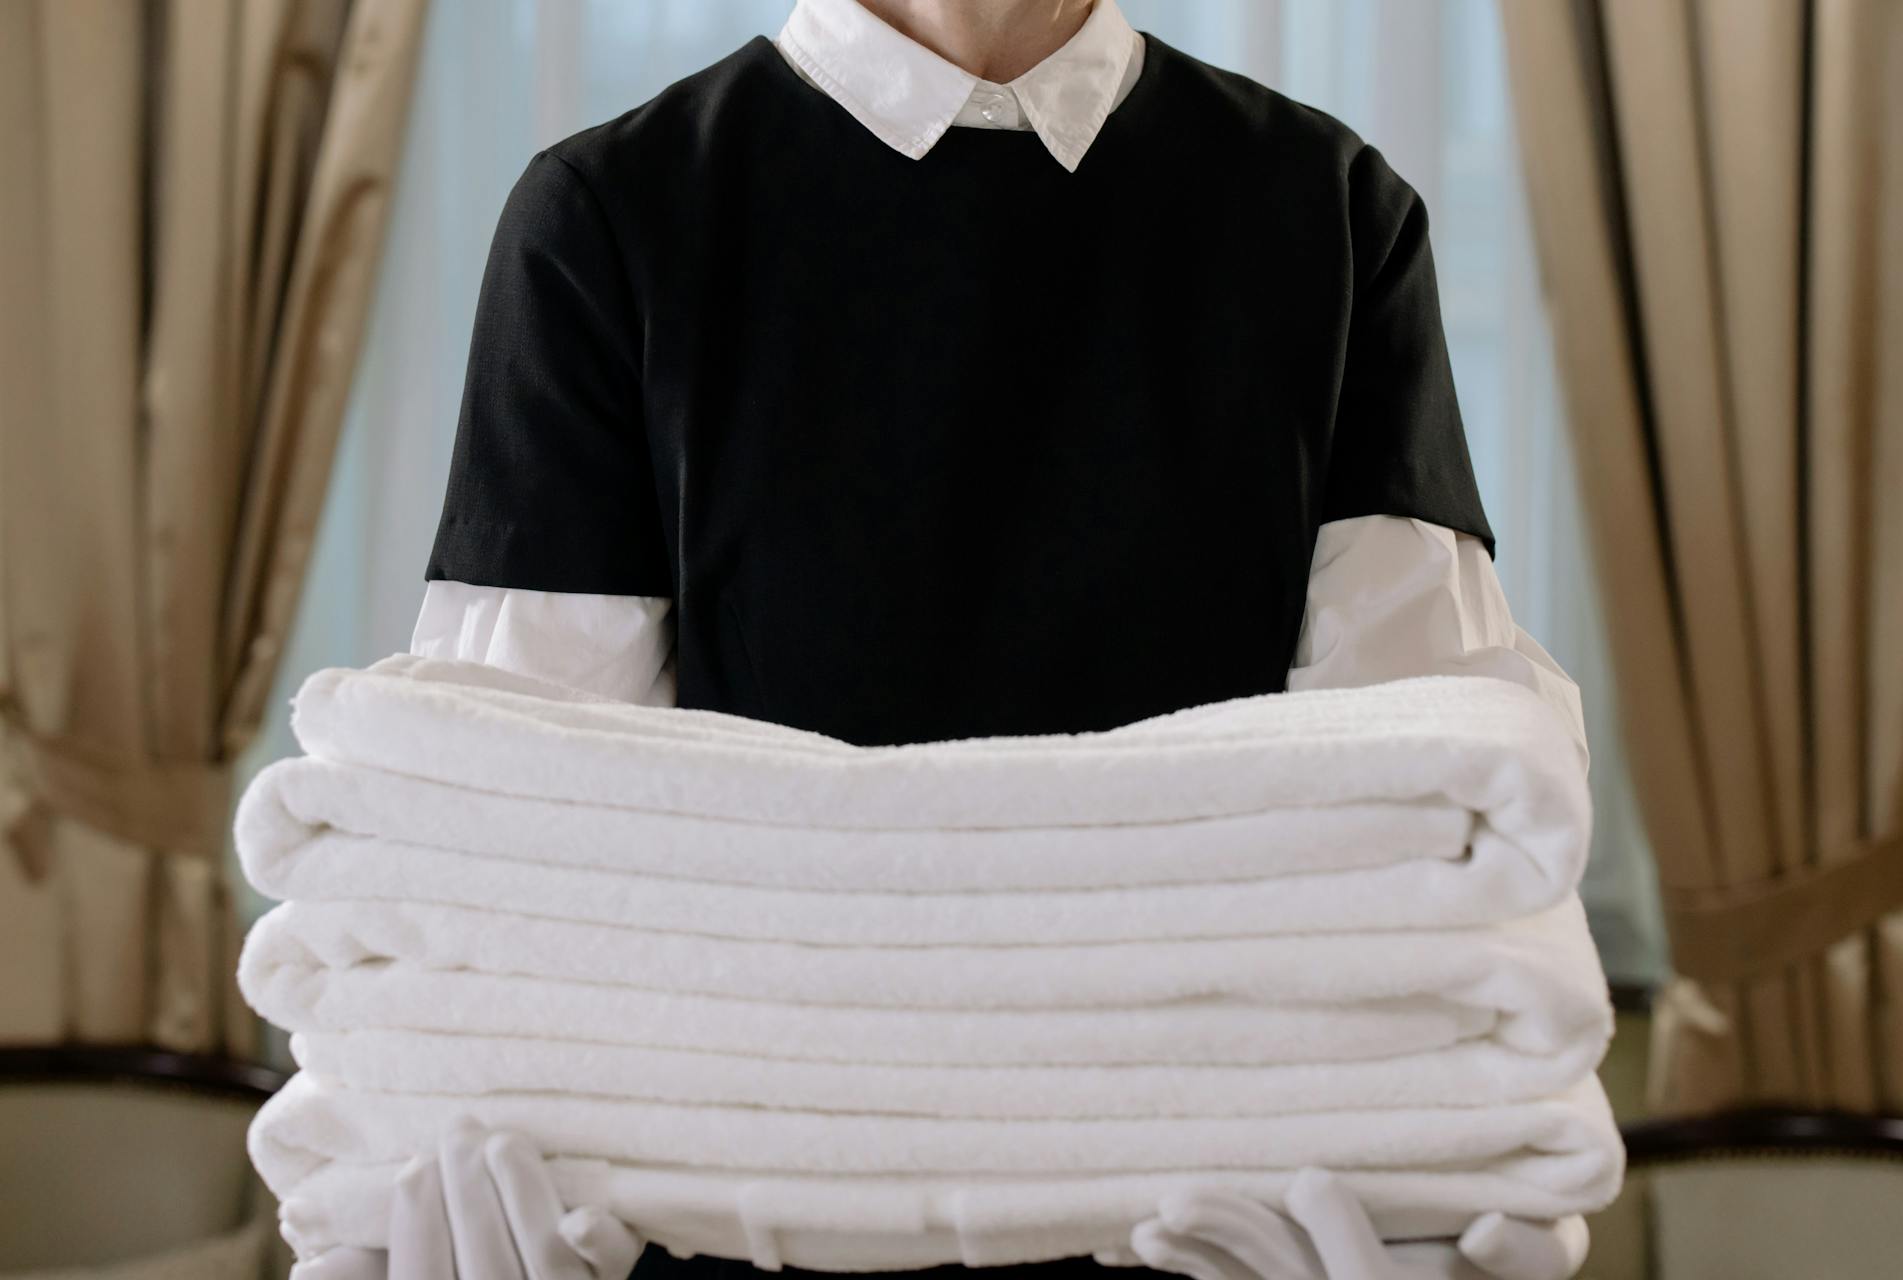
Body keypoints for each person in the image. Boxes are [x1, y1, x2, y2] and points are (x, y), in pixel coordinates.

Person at [307, 1, 1594, 1276]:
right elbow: (524, 863)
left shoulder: (1328, 213)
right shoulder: (610, 218)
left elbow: (1420, 822)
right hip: (721, 1238)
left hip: (1219, 1232)